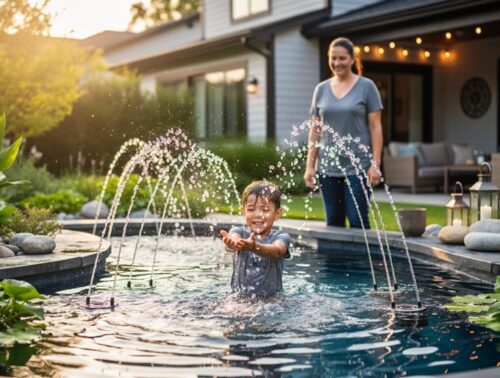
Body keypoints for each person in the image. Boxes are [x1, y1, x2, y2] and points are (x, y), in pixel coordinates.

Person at [304, 37, 383, 229]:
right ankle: (336, 262)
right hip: (327, 168)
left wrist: (375, 164)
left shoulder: (367, 87)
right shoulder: (321, 89)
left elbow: (376, 127)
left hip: (358, 167)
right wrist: (310, 166)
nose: (337, 63)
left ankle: (362, 260)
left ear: (352, 59)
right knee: (333, 223)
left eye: (342, 58)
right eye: (333, 58)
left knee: (358, 221)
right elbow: (315, 130)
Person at [219, 180, 291, 296]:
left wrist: (254, 247)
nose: (258, 214)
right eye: (251, 209)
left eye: (265, 209)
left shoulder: (281, 236)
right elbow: (234, 239)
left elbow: (278, 251)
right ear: (244, 211)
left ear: (277, 213)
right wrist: (231, 244)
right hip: (239, 298)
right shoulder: (239, 232)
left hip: (271, 300)